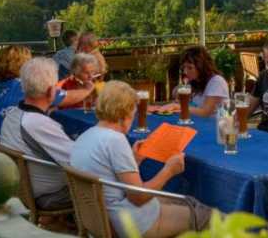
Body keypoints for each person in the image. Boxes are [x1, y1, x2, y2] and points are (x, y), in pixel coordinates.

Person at [71, 81, 208, 237]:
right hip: (129, 223)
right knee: (205, 216)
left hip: (101, 219)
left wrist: (135, 160)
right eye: (133, 115)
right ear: (124, 114)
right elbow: (138, 197)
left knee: (187, 201)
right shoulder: (115, 140)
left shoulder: (86, 136)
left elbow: (112, 179)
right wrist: (169, 171)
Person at [0, 58, 76, 210]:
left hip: (22, 189)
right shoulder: (37, 123)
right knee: (112, 187)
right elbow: (80, 162)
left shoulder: (12, 114)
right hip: (50, 195)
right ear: (51, 91)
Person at [0, 46, 92, 129]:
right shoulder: (25, 86)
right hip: (23, 143)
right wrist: (88, 89)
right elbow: (67, 97)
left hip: (2, 141)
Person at [152, 46, 230, 117]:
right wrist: (178, 92)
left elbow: (205, 112)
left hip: (215, 126)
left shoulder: (217, 82)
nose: (185, 72)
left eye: (190, 68)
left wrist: (177, 106)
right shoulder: (196, 81)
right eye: (184, 67)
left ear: (202, 66)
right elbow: (175, 93)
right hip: (198, 123)